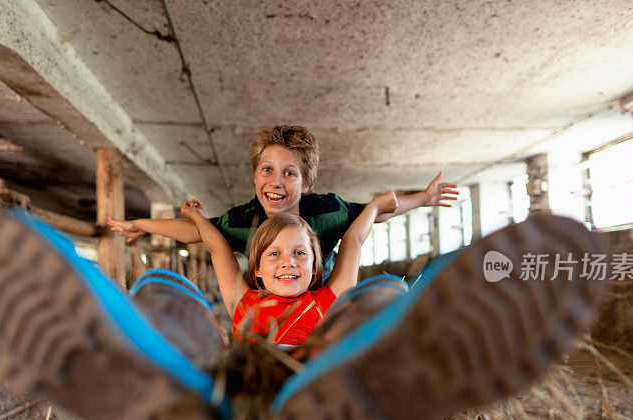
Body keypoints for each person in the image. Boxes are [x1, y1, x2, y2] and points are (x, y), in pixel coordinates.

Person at [107, 125, 459, 277]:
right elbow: (196, 232)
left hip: (322, 303)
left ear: (306, 183)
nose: (276, 183)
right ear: (255, 174)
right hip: (270, 311)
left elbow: (375, 213)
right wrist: (141, 224)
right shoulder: (243, 221)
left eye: (289, 173)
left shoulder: (328, 211)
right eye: (267, 170)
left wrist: (424, 198)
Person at [179, 191, 398, 347]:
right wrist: (198, 217)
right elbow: (217, 247)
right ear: (256, 269)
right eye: (274, 254)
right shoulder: (245, 306)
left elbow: (354, 239)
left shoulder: (328, 302)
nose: (289, 262)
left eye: (300, 253)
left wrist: (374, 207)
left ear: (314, 267)